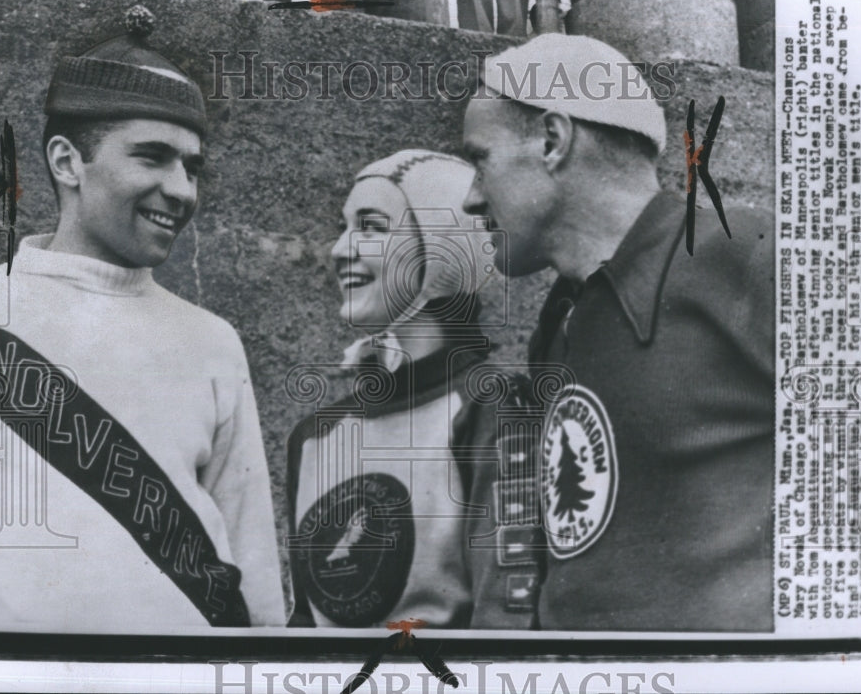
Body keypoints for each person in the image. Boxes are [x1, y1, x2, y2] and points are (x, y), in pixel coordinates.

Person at [0, 5, 285, 630]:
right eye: (153, 157)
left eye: (192, 167)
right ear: (67, 163)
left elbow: (251, 551)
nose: (183, 190)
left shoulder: (211, 340)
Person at [460, 33, 775, 631]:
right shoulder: (558, 325)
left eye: (480, 159)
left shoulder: (751, 256)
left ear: (552, 140)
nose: (472, 199)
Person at [286, 150, 505, 628]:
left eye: (371, 227)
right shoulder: (315, 437)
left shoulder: (490, 412)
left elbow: (506, 625)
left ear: (442, 249)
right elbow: (305, 626)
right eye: (345, 226)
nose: (340, 249)